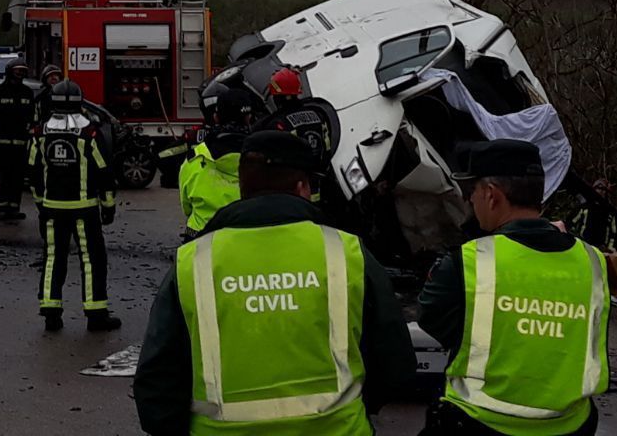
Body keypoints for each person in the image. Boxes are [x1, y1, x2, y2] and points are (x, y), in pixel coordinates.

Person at [136, 131, 416, 435]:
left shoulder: (193, 262)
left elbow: (156, 381)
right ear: (302, 187)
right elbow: (396, 364)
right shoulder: (347, 253)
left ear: (243, 189)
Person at [417, 139, 612, 436]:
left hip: (478, 423)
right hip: (569, 425)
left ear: (492, 196)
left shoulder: (469, 262)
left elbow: (432, 319)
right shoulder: (592, 262)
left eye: (473, 191)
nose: (470, 200)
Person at [28, 81, 121, 332]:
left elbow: (33, 170)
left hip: (51, 208)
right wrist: (108, 205)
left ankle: (50, 312)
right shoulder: (89, 133)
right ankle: (95, 314)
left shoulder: (40, 132)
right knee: (92, 260)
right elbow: (104, 170)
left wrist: (39, 201)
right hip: (84, 208)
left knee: (52, 258)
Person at [178, 84, 254, 240]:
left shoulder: (196, 158)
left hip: (200, 240)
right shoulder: (264, 158)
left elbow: (186, 207)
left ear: (215, 117)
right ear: (249, 117)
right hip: (248, 239)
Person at [0, 60, 35, 222]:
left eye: (23, 71)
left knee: (18, 178)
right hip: (2, 144)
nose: (20, 74)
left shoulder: (27, 92)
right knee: (3, 177)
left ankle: (14, 207)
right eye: (17, 71)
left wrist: (31, 136)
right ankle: (2, 208)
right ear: (9, 72)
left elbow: (32, 117)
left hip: (20, 145)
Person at [253, 67, 334, 167]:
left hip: (294, 179)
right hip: (323, 174)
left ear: (276, 97)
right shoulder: (318, 114)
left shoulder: (275, 124)